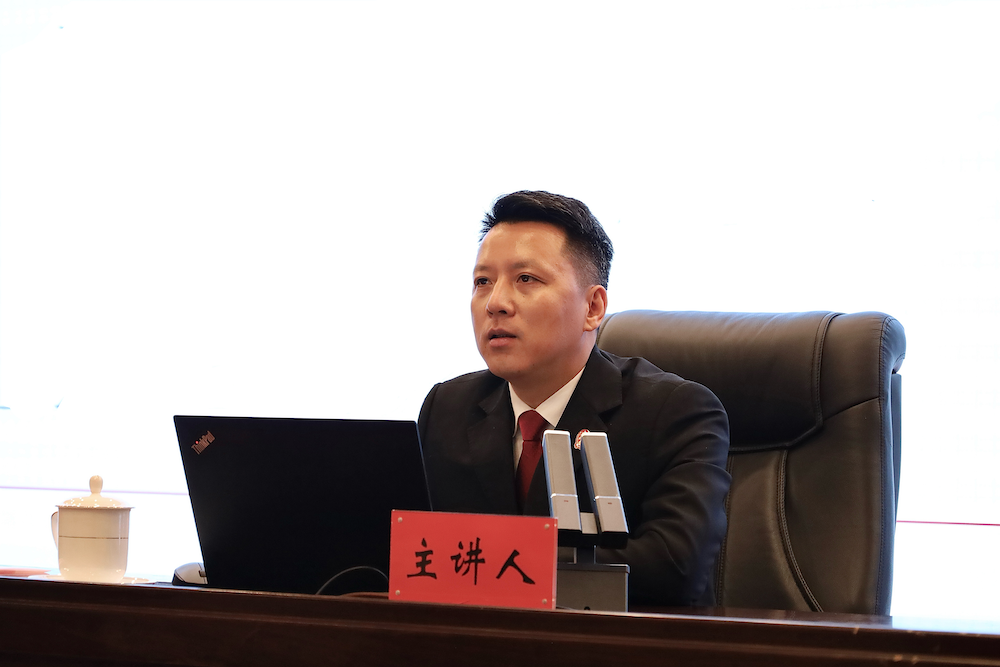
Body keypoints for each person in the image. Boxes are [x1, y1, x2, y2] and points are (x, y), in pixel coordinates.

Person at [417, 190, 730, 606]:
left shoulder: (675, 412)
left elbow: (673, 570)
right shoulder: (448, 408)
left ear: (593, 307)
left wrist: (484, 565)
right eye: (482, 282)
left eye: (526, 279)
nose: (495, 303)